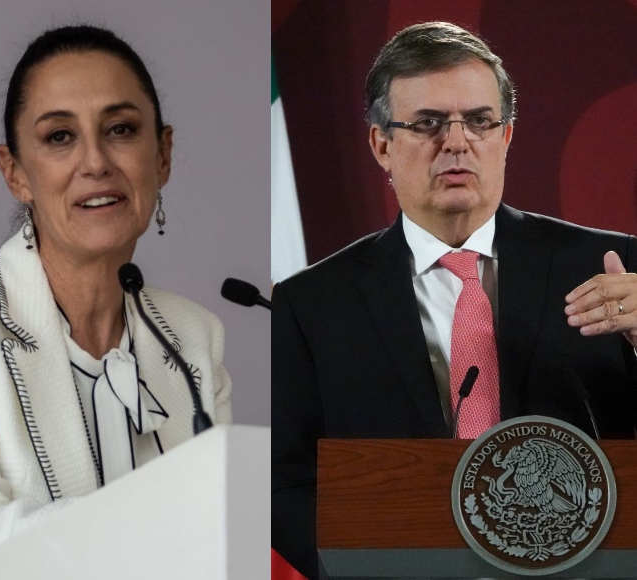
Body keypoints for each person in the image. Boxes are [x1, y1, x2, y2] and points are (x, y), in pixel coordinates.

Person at [271, 21, 637, 578]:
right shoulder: (311, 304)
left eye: (479, 121)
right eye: (428, 123)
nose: (457, 142)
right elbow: (286, 480)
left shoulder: (614, 268)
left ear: (505, 137)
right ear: (382, 145)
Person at [0, 25, 233, 579]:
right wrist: (157, 521)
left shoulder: (194, 336)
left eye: (120, 129)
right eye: (59, 137)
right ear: (15, 173)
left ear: (163, 155)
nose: (95, 162)